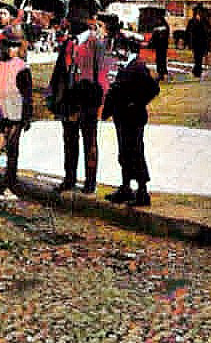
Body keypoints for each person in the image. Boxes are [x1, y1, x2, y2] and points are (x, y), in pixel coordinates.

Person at [47, 17, 107, 194]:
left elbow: (102, 77)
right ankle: (69, 178)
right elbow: (59, 72)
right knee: (69, 141)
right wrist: (54, 98)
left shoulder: (96, 44)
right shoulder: (68, 43)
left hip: (88, 103)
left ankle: (90, 181)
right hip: (68, 101)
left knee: (90, 143)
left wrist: (99, 105)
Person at [102, 32, 160, 207]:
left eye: (119, 49)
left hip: (133, 118)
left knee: (135, 153)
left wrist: (135, 103)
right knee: (125, 153)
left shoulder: (138, 67)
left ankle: (142, 192)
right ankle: (126, 187)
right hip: (123, 117)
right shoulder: (128, 66)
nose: (116, 53)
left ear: (127, 49)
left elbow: (153, 89)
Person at [0, 30, 33, 195]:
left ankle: (10, 182)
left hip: (15, 114)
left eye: (14, 46)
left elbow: (27, 95)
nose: (10, 49)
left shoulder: (23, 67)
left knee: (12, 150)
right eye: (8, 45)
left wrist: (27, 117)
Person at [186, 6, 209, 79]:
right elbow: (188, 32)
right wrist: (188, 43)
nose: (198, 13)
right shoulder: (192, 21)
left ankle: (197, 72)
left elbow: (207, 32)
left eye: (200, 12)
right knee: (197, 58)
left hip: (202, 43)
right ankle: (197, 71)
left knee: (199, 58)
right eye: (197, 12)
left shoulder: (204, 21)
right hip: (195, 43)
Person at [149, 12, 170, 82]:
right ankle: (160, 74)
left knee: (162, 60)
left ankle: (164, 74)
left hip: (162, 46)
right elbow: (153, 37)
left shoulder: (164, 26)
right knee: (158, 60)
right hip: (159, 46)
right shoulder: (158, 26)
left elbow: (165, 36)